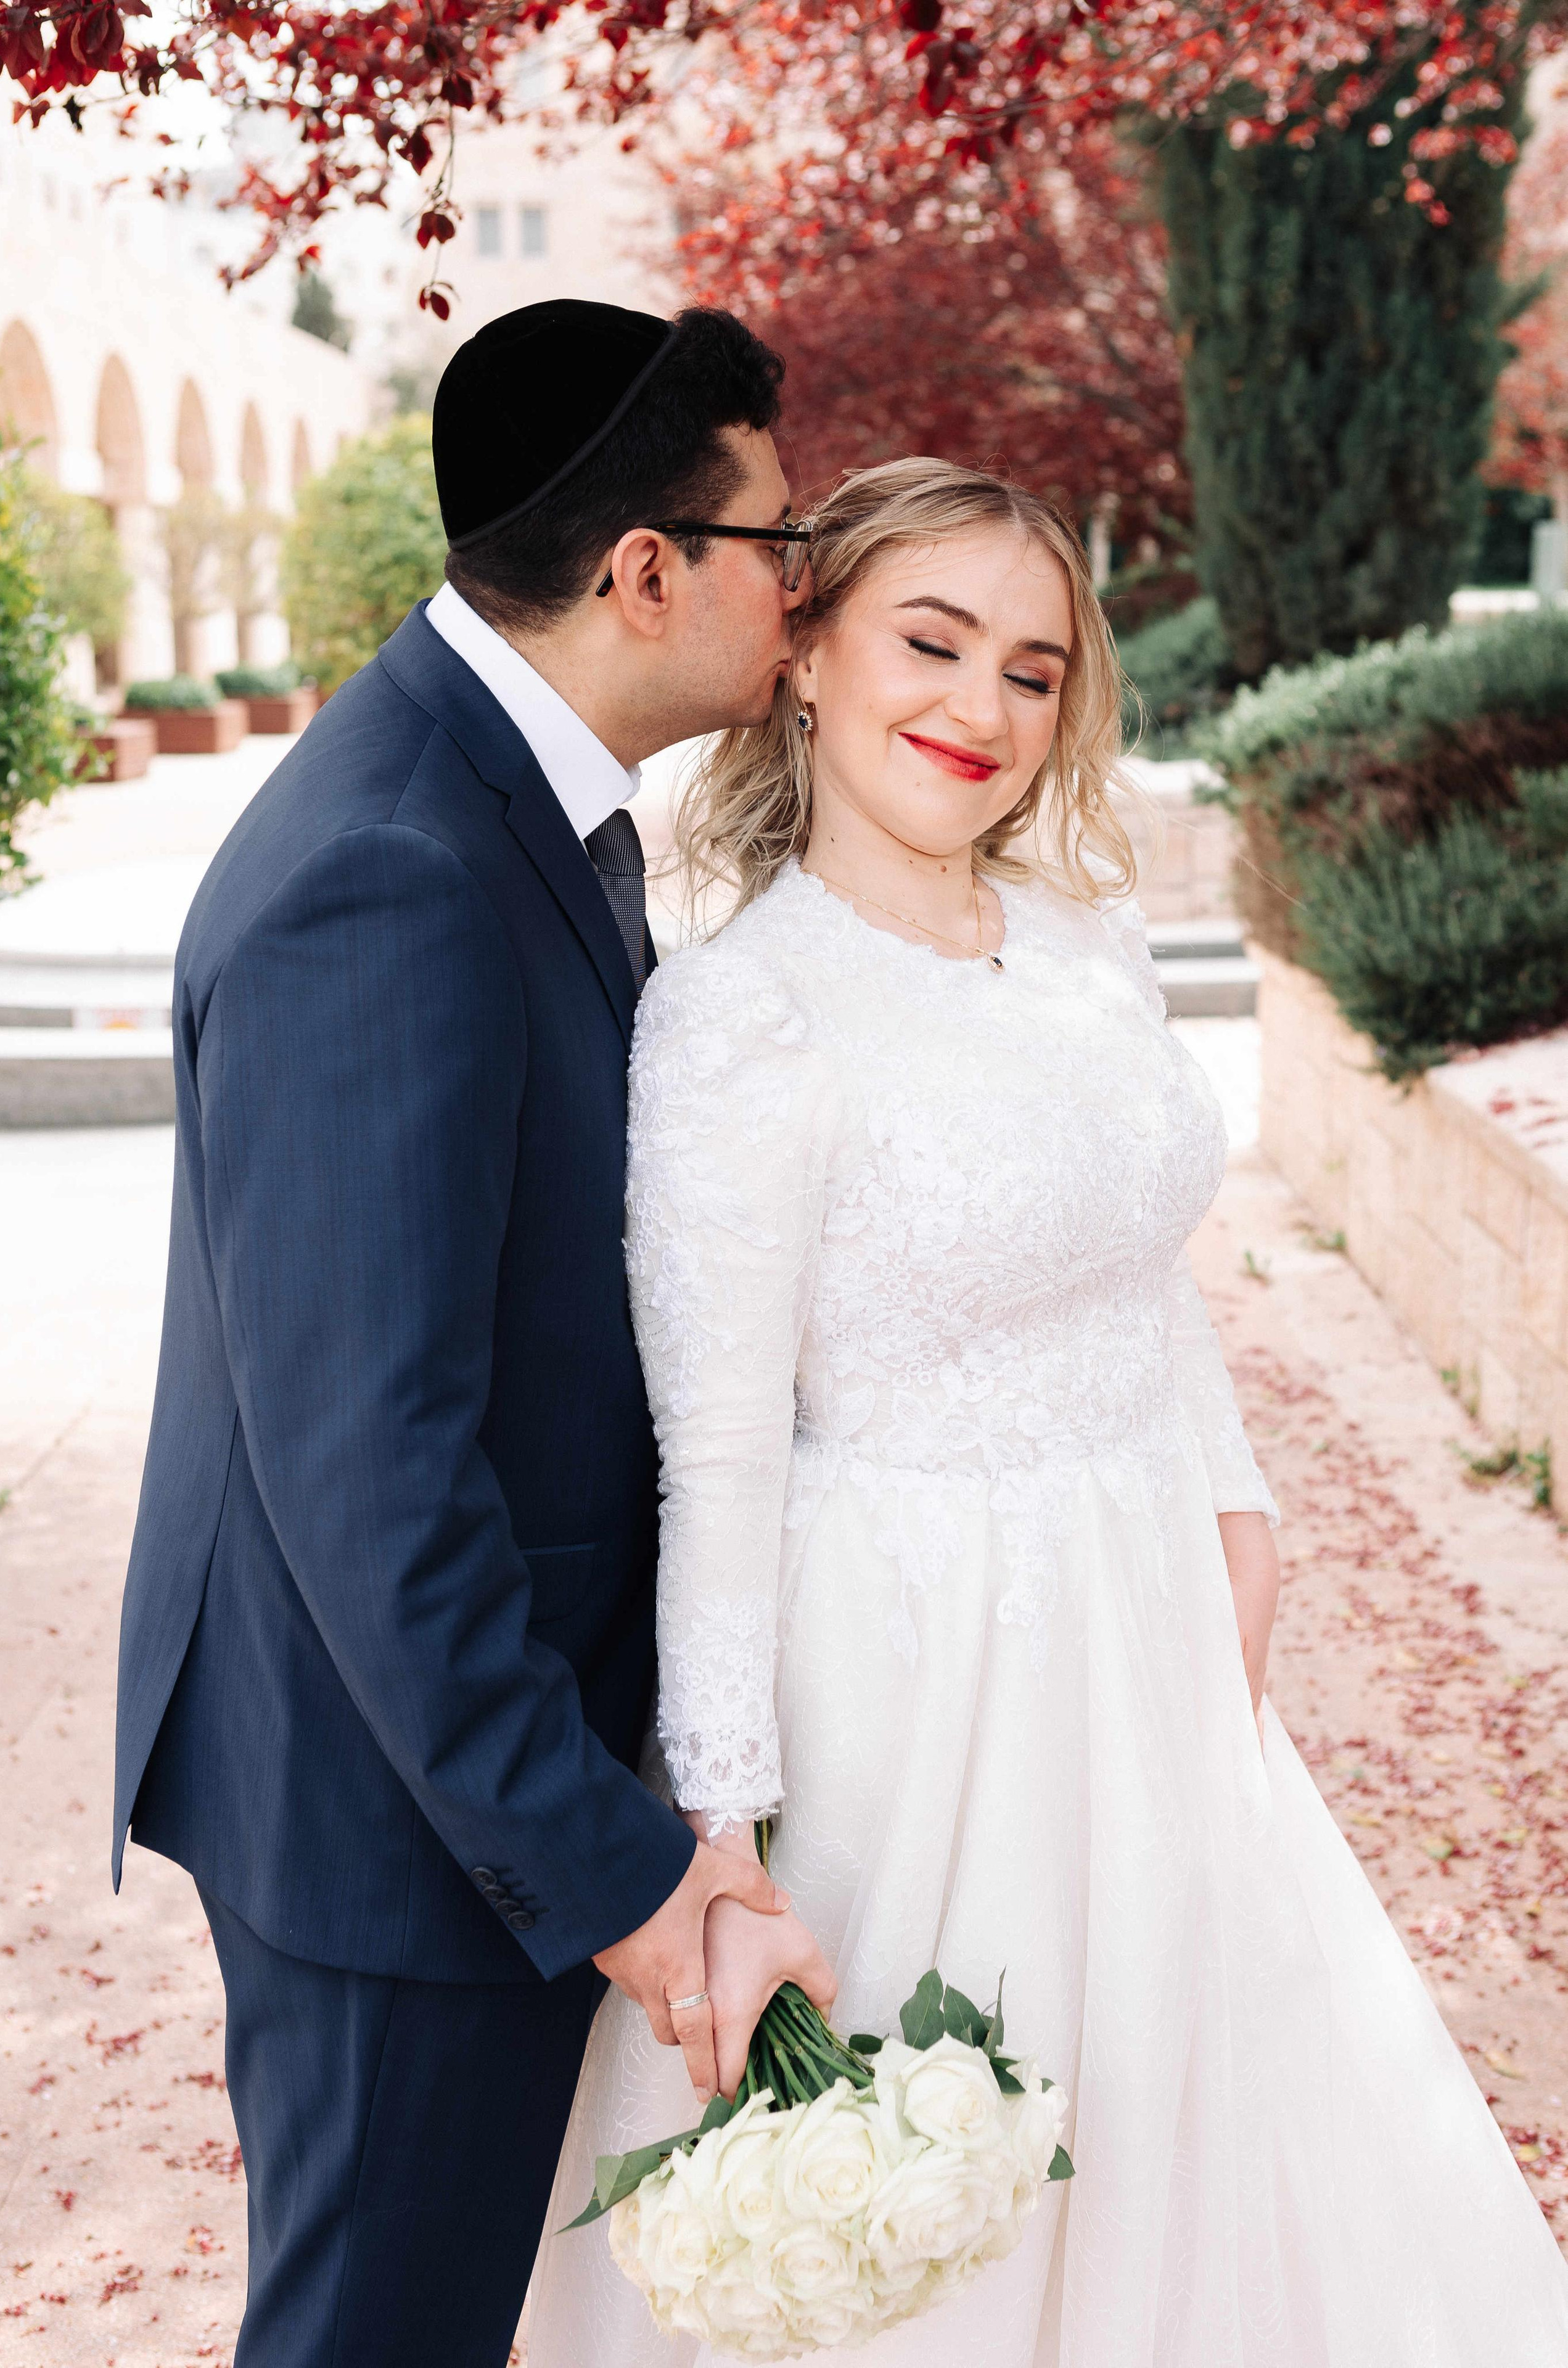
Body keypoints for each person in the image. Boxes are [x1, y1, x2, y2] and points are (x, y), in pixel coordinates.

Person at [523, 456, 1568, 2364]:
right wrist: (728, 1835)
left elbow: (1141, 1258)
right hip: (913, 1667)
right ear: (812, 652)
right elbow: (725, 1454)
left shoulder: (1082, 936)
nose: (983, 710)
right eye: (933, 643)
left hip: (1155, 1621)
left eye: (1032, 666)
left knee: (1182, 2111)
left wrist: (1237, 1508)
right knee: (948, 2187)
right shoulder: (744, 1015)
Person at [110, 298, 835, 2368]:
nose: (803, 594)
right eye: (776, 550)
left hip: (447, 1772)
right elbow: (371, 1475)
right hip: (397, 1822)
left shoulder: (505, 793)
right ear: (645, 573)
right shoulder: (393, 869)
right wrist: (616, 1874)